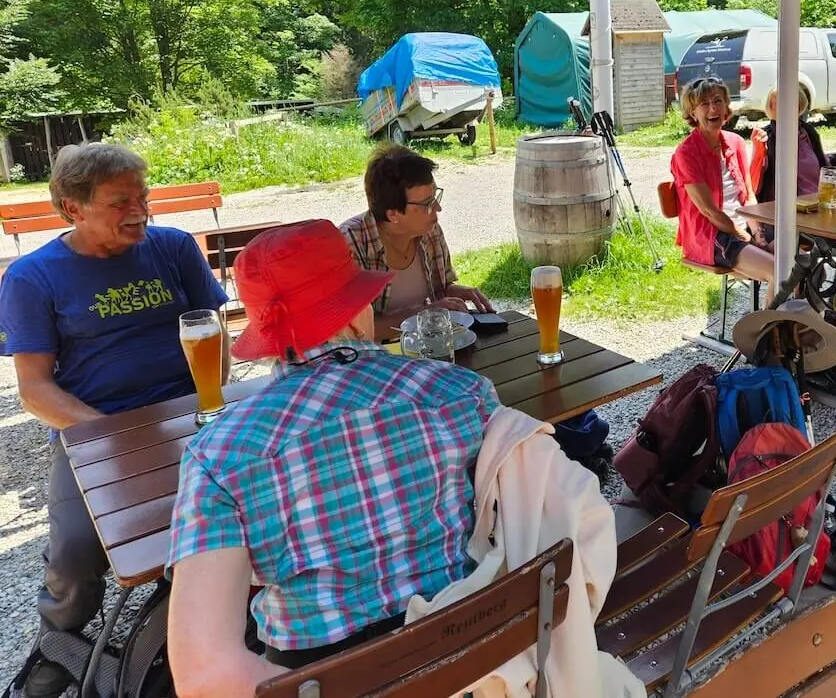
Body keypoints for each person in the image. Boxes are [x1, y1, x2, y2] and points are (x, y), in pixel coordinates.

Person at [166, 220, 500, 695]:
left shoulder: (218, 456)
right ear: (355, 309)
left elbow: (206, 676)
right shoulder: (462, 393)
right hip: (476, 655)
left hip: (318, 673)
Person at [0, 144, 228, 698]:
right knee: (78, 553)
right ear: (72, 208)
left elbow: (216, 337)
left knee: (243, 509)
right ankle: (61, 641)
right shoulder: (33, 277)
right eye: (120, 202)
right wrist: (113, 434)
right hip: (97, 434)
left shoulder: (172, 248)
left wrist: (210, 401)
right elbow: (34, 389)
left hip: (190, 417)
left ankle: (202, 618)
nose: (141, 211)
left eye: (143, 196)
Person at [341, 145, 494, 340]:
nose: (438, 208)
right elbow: (358, 332)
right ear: (393, 214)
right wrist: (425, 314)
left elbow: (440, 289)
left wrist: (457, 293)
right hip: (379, 358)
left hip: (427, 345)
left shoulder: (429, 231)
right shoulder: (351, 243)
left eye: (436, 196)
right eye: (427, 203)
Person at [670, 77, 774, 288]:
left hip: (745, 225)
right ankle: (774, 322)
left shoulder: (734, 142)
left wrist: (758, 233)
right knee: (777, 271)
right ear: (693, 113)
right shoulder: (686, 153)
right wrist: (746, 236)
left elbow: (748, 195)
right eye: (704, 104)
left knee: (801, 259)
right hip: (711, 235)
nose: (713, 109)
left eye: (718, 101)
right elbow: (709, 212)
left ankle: (792, 320)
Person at [750, 85, 828, 207]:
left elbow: (825, 169)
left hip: (816, 206)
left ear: (799, 105)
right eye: (775, 104)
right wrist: (759, 151)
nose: (781, 108)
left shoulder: (808, 132)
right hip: (783, 211)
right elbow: (753, 185)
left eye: (787, 102)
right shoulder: (766, 137)